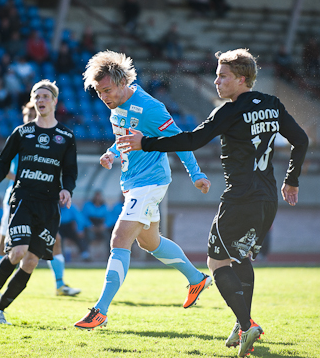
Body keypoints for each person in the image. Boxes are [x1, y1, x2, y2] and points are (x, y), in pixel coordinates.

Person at [116, 48, 308, 357]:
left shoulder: (228, 111)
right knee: (240, 257)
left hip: (240, 198)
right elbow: (302, 140)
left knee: (216, 262)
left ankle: (247, 325)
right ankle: (242, 322)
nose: (216, 81)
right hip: (268, 197)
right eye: (216, 75)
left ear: (241, 79)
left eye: (222, 76)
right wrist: (292, 180)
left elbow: (192, 140)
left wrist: (147, 142)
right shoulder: (273, 105)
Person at [74, 50, 212, 331]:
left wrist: (196, 174)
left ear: (123, 82)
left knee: (120, 238)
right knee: (149, 242)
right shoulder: (116, 105)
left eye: (107, 91)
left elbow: (180, 141)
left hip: (151, 181)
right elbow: (126, 136)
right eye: (99, 92)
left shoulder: (150, 108)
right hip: (133, 181)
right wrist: (112, 152)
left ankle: (100, 311)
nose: (104, 97)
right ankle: (197, 278)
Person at [0, 80, 78, 325]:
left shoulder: (66, 136)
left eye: (44, 96)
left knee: (31, 261)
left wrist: (67, 190)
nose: (40, 100)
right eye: (36, 97)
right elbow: (1, 162)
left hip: (49, 206)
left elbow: (70, 171)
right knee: (17, 252)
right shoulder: (22, 133)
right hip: (22, 200)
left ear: (54, 101)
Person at [0, 102, 81, 295]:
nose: (32, 117)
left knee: (55, 240)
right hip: (18, 198)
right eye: (28, 114)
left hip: (43, 200)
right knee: (3, 243)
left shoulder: (55, 137)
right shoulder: (22, 137)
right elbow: (4, 168)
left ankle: (60, 284)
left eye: (34, 113)